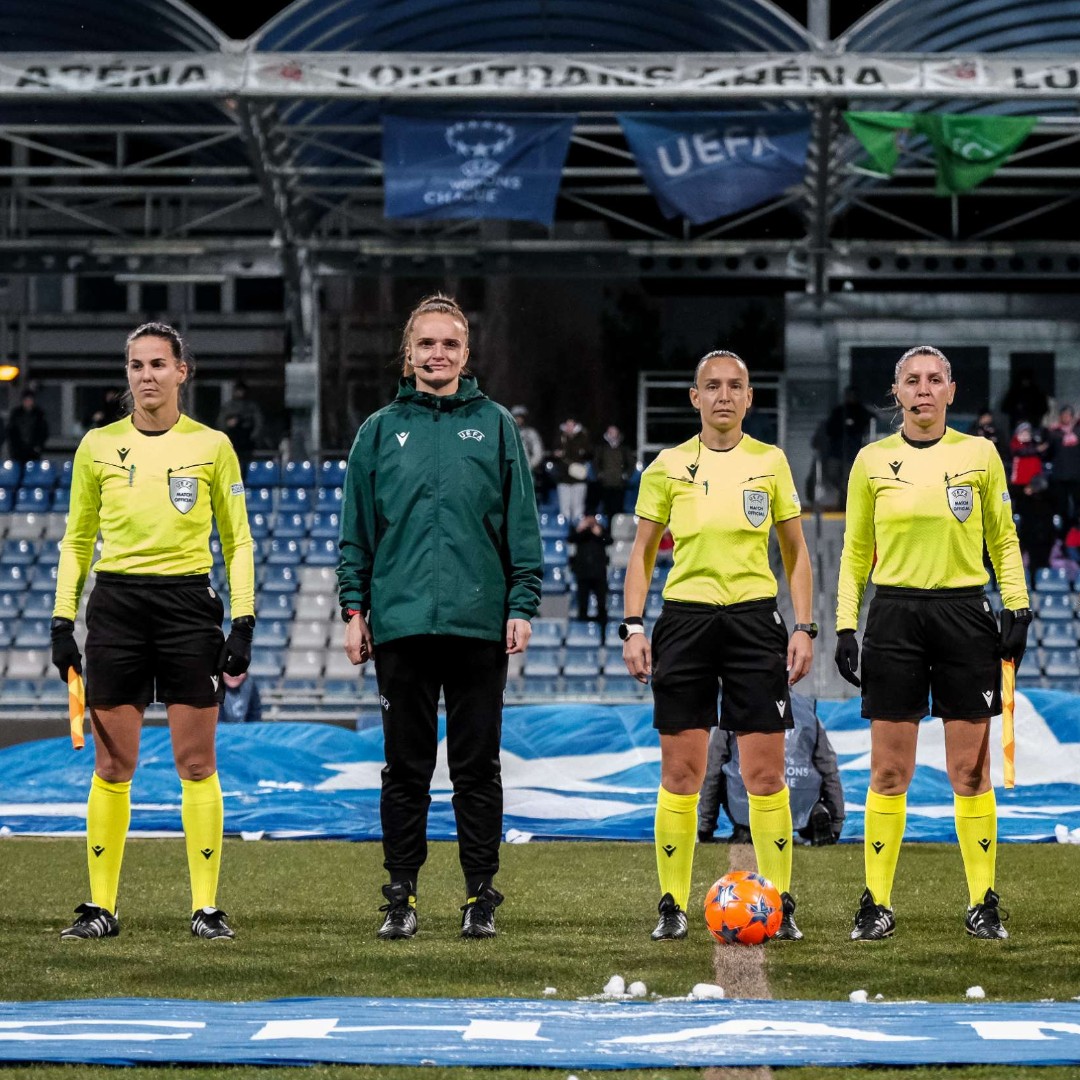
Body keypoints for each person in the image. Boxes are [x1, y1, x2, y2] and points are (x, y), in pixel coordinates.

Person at [338, 294, 542, 941]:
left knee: (477, 771)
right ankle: (400, 897)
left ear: (465, 354)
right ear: (408, 353)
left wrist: (521, 603)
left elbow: (521, 524)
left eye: (449, 344)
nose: (437, 354)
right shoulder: (377, 432)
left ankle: (481, 895)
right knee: (405, 772)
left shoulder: (496, 426)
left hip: (478, 625)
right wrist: (353, 609)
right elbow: (356, 533)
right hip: (400, 626)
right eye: (426, 343)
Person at [51, 322, 255, 941]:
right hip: (116, 608)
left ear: (181, 371)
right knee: (114, 765)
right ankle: (100, 908)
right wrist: (62, 620)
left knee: (196, 762)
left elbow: (238, 541)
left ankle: (206, 909)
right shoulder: (97, 446)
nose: (147, 375)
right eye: (137, 365)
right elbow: (77, 541)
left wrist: (243, 620)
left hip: (188, 607)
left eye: (159, 364)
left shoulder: (213, 446)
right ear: (128, 373)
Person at [835, 345, 1030, 942]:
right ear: (896, 393)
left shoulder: (980, 454)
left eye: (934, 379)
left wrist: (1018, 605)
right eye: (912, 380)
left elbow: (1002, 539)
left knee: (969, 772)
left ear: (951, 390)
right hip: (894, 618)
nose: (923, 389)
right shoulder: (871, 461)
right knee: (889, 771)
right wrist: (845, 626)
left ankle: (982, 903)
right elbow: (854, 551)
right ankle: (876, 903)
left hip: (964, 616)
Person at [621, 349, 815, 942]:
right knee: (681, 772)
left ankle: (779, 902)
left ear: (750, 398)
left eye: (735, 386)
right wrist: (632, 625)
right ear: (695, 397)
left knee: (765, 774)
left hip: (755, 623)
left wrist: (804, 627)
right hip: (685, 623)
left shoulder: (771, 462)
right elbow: (642, 553)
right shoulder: (668, 465)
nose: (724, 395)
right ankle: (672, 904)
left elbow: (795, 552)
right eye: (712, 386)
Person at [698, 691, 844, 848]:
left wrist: (705, 826)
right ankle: (815, 815)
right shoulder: (807, 710)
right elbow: (828, 767)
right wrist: (836, 823)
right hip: (799, 795)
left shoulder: (735, 706)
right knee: (811, 771)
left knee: (727, 772)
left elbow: (712, 769)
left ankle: (746, 827)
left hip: (747, 797)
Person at [824, 386, 871, 506]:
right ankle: (843, 497)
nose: (850, 398)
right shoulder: (839, 411)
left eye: (853, 395)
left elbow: (870, 426)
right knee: (832, 474)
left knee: (848, 478)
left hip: (853, 452)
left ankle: (845, 503)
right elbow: (829, 429)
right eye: (848, 395)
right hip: (836, 451)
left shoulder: (862, 412)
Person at [568, 513, 611, 637]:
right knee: (582, 605)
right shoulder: (580, 532)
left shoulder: (601, 530)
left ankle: (602, 635)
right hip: (583, 574)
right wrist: (580, 529)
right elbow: (571, 539)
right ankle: (582, 634)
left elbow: (609, 540)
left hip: (599, 574)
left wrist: (599, 533)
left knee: (601, 605)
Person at [216, 379, 265, 473]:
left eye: (242, 391)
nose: (240, 393)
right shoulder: (229, 406)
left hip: (246, 441)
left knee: (246, 465)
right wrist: (229, 424)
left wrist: (252, 437)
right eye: (238, 390)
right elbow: (221, 423)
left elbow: (258, 423)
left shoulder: (251, 407)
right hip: (232, 439)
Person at [1048, 405, 1080, 536]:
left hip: (1076, 475)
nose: (1066, 418)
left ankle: (1075, 534)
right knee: (1062, 507)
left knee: (1077, 506)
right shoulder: (1054, 432)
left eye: (1068, 415)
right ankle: (1063, 535)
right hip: (1060, 475)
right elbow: (1049, 452)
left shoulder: (1078, 432)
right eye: (1063, 415)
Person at [553, 416, 591, 525]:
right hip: (563, 478)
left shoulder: (583, 437)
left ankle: (577, 529)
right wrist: (557, 454)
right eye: (567, 425)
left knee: (578, 507)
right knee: (564, 507)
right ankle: (565, 529)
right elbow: (554, 452)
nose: (569, 427)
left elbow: (588, 453)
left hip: (578, 478)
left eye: (571, 425)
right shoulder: (560, 437)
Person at [593, 424, 636, 520]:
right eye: (610, 432)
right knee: (607, 509)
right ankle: (608, 528)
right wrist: (600, 474)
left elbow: (631, 463)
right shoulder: (602, 447)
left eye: (614, 432)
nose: (612, 434)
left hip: (619, 484)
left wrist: (625, 475)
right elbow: (596, 462)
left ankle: (617, 527)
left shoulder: (624, 447)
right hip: (605, 484)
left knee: (618, 508)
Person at [7, 388, 49, 473]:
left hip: (33, 450)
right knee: (18, 472)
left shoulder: (39, 414)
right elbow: (11, 431)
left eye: (30, 400)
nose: (28, 402)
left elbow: (44, 431)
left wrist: (38, 446)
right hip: (18, 451)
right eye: (26, 400)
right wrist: (14, 448)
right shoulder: (16, 414)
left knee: (33, 472)